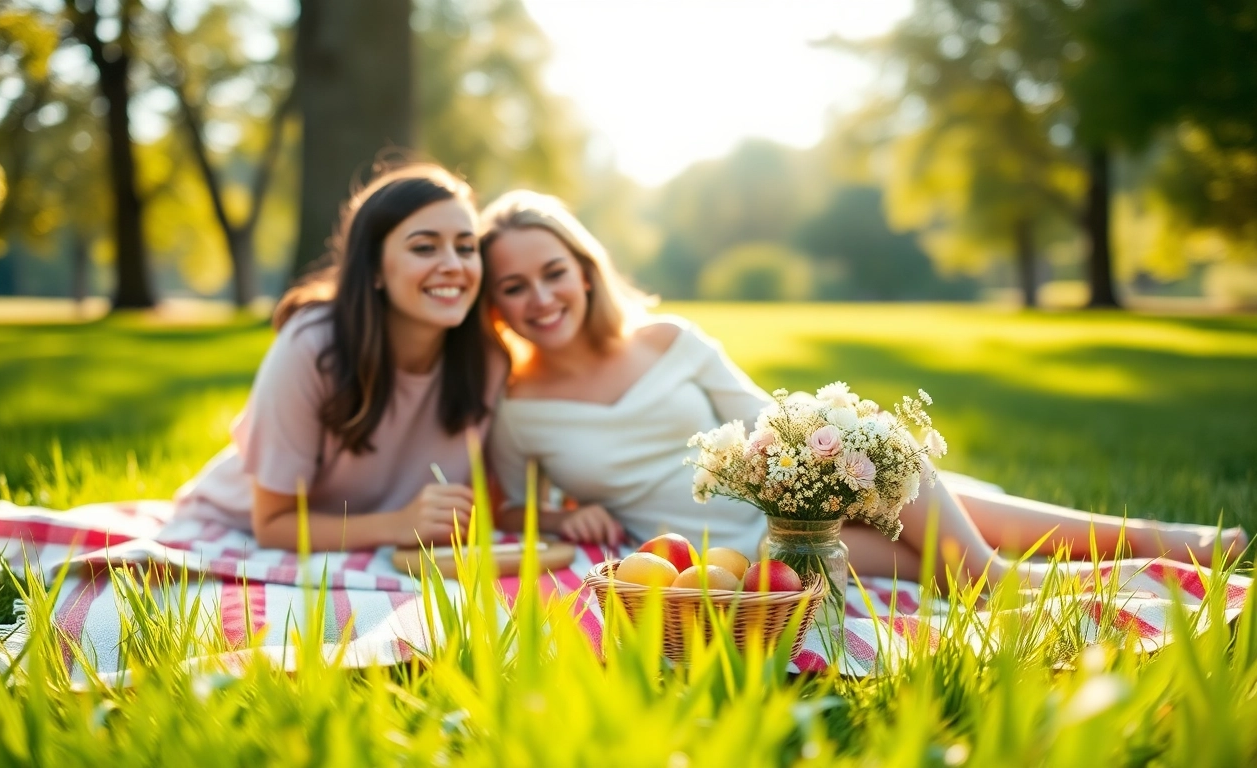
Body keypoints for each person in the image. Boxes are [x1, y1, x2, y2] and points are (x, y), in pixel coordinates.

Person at [480, 189, 1249, 586]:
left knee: (899, 474)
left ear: (583, 270)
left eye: (552, 273)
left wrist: (831, 472)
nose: (539, 299)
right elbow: (511, 503)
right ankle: (1146, 564)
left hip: (802, 490)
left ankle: (1163, 545)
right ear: (495, 304)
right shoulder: (516, 405)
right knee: (955, 565)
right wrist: (572, 512)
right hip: (743, 551)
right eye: (513, 286)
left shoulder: (672, 339)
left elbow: (773, 420)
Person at [172, 164, 507, 551]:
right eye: (424, 247)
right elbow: (272, 525)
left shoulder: (489, 360)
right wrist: (399, 524)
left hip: (380, 547)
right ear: (375, 269)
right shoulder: (312, 345)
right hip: (234, 532)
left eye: (466, 247)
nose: (453, 264)